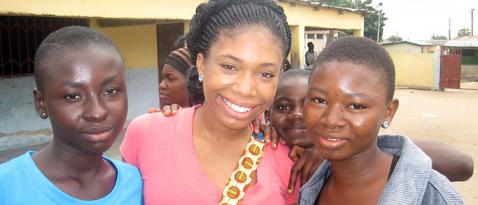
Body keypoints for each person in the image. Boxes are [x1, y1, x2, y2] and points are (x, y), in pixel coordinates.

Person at [120, 0, 300, 204]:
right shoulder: (147, 135)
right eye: (229, 67)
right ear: (201, 64)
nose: (246, 89)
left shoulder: (288, 160)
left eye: (265, 73)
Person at [299, 37, 463, 204]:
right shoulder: (307, 189)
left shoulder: (432, 197)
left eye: (356, 106)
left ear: (389, 112)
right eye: (319, 100)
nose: (331, 120)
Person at [0, 26, 143, 204]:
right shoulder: (6, 187)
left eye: (111, 91)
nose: (97, 112)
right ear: (41, 103)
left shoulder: (135, 183)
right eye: (72, 96)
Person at [269, 69, 473, 184]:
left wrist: (330, 153)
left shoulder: (348, 151)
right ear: (268, 114)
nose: (296, 114)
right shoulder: (264, 148)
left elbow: (463, 165)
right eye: (282, 106)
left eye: (311, 102)